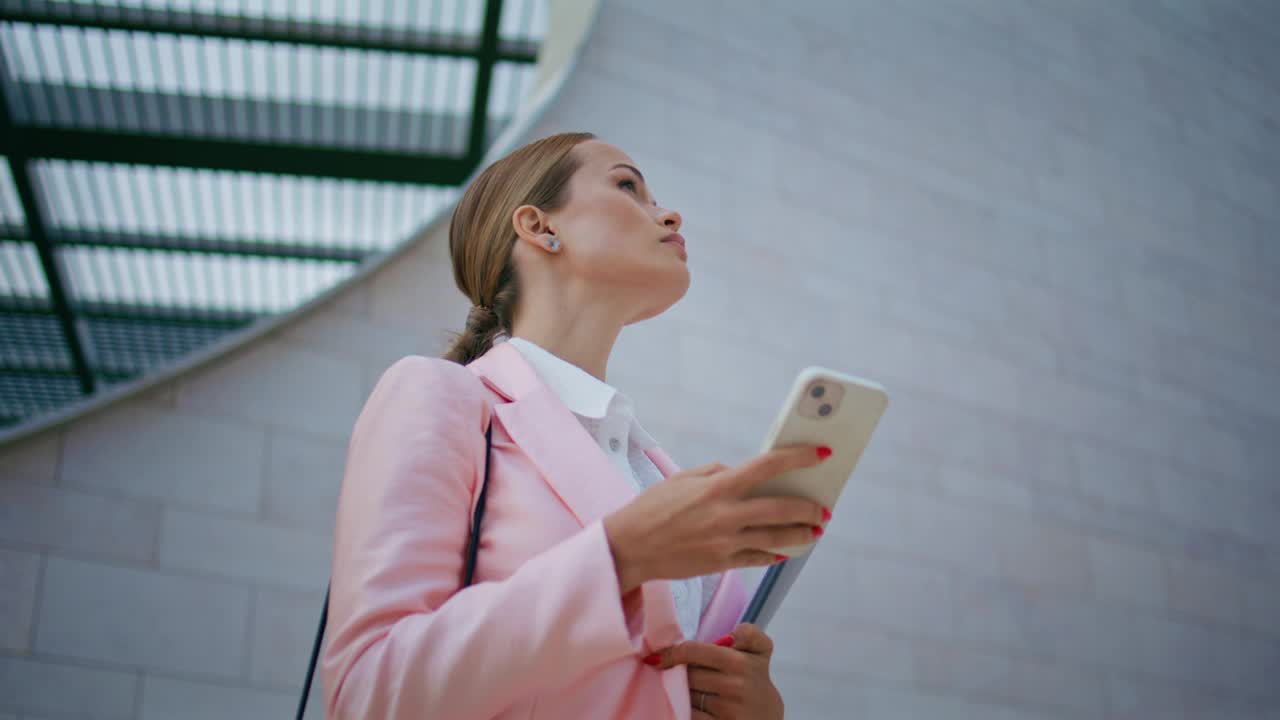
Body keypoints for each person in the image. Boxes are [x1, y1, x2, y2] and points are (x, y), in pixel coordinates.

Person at [321, 132, 833, 719]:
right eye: (627, 186)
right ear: (539, 228)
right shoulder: (440, 396)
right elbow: (366, 692)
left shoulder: (652, 473)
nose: (668, 212)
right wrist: (620, 556)